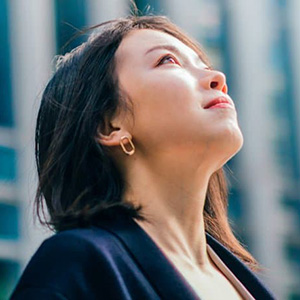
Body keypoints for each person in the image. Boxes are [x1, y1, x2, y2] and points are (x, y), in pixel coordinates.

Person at [10, 15, 276, 300]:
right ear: (109, 125)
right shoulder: (76, 267)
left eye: (205, 65)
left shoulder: (244, 281)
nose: (218, 78)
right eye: (168, 61)